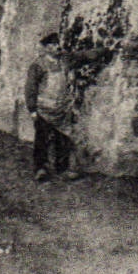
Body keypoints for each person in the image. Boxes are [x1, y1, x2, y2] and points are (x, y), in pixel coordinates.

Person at [25, 32, 81, 183]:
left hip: (62, 109)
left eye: (57, 44)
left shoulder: (65, 60)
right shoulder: (38, 65)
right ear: (46, 48)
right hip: (43, 110)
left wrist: (107, 50)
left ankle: (61, 168)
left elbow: (83, 56)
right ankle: (40, 169)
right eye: (53, 45)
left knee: (62, 139)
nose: (57, 47)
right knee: (42, 139)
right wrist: (32, 110)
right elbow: (30, 89)